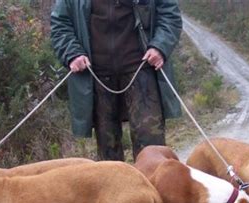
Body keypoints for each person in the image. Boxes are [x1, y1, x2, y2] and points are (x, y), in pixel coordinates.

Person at [51, 0, 182, 161]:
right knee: (108, 155)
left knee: (152, 148)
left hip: (141, 69)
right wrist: (72, 53)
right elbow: (60, 23)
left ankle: (154, 185)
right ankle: (117, 186)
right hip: (96, 76)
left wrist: (160, 46)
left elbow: (170, 14)